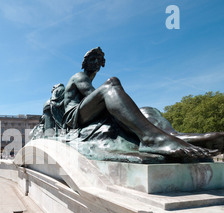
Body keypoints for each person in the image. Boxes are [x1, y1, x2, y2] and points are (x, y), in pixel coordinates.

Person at [62, 47, 216, 160]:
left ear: (102, 63)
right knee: (111, 84)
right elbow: (96, 97)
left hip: (88, 113)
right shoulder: (79, 76)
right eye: (92, 59)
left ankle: (175, 136)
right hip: (74, 118)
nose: (95, 62)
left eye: (98, 60)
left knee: (147, 111)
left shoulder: (89, 78)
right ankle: (151, 139)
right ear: (85, 63)